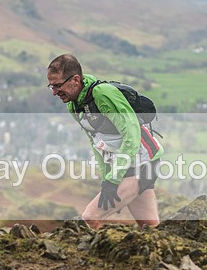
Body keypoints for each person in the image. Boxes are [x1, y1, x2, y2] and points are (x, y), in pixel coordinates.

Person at [47, 54, 163, 229]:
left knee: (90, 218)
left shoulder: (102, 94)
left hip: (143, 163)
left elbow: (131, 134)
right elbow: (96, 143)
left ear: (75, 80)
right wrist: (107, 179)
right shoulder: (74, 104)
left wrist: (113, 180)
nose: (55, 92)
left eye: (58, 85)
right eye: (51, 86)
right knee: (150, 227)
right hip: (126, 165)